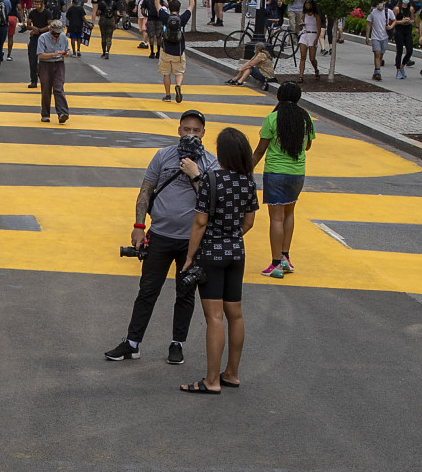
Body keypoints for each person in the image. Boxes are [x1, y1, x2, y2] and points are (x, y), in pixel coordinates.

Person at [106, 110, 215, 365]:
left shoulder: (211, 163)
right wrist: (138, 226)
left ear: (203, 133)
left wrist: (195, 174)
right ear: (178, 130)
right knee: (147, 290)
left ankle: (177, 343)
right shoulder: (163, 156)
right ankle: (132, 343)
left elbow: (213, 201)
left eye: (196, 130)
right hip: (160, 235)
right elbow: (146, 189)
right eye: (186, 129)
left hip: (192, 241)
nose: (191, 135)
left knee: (185, 292)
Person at [178, 127, 260, 394]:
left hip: (211, 253)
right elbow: (249, 221)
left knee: (214, 317)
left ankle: (211, 380)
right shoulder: (248, 181)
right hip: (236, 252)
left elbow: (200, 221)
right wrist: (232, 236)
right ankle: (231, 373)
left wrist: (190, 256)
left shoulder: (212, 179)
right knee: (234, 315)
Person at [252, 82, 314, 277]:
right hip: (297, 173)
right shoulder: (306, 118)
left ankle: (275, 263)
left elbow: (261, 149)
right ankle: (286, 257)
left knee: (276, 218)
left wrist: (246, 169)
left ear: (278, 97)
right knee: (289, 213)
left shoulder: (272, 119)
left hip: (275, 173)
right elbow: (307, 147)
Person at [31, 9, 71, 122]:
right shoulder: (43, 38)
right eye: (55, 33)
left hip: (59, 64)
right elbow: (40, 55)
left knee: (59, 88)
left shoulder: (63, 37)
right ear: (50, 29)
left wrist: (65, 54)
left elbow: (67, 51)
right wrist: (53, 54)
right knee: (46, 90)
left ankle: (62, 113)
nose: (57, 35)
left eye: (59, 33)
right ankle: (45, 114)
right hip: (45, 65)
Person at [154, 0, 190, 103]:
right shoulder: (182, 19)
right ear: (179, 8)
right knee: (179, 72)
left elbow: (157, 4)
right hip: (178, 51)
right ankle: (178, 86)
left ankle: (168, 95)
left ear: (168, 8)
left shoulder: (166, 17)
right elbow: (191, 6)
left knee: (166, 73)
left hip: (166, 50)